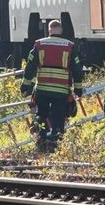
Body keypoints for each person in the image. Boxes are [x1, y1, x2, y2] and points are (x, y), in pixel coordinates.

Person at [21, 19, 84, 150]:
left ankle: (41, 141)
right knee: (59, 117)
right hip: (61, 90)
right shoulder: (70, 46)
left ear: (49, 30)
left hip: (42, 89)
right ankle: (57, 143)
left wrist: (25, 86)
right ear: (61, 30)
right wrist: (78, 89)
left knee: (41, 115)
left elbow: (30, 66)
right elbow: (77, 69)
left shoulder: (39, 44)